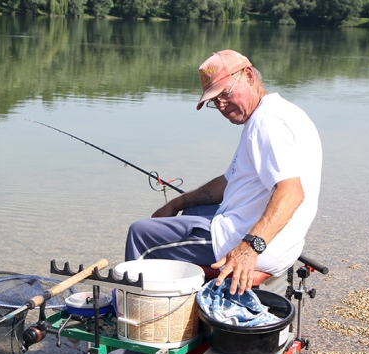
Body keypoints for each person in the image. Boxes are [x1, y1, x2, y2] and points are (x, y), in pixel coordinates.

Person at [125, 49, 322, 295]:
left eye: (225, 94)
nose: (221, 105)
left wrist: (249, 249)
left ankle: (135, 316)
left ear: (249, 75)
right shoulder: (277, 112)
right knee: (192, 210)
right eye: (214, 101)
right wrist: (175, 204)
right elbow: (228, 182)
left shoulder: (268, 123)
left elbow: (292, 192)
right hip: (282, 242)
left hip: (260, 245)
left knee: (141, 234)